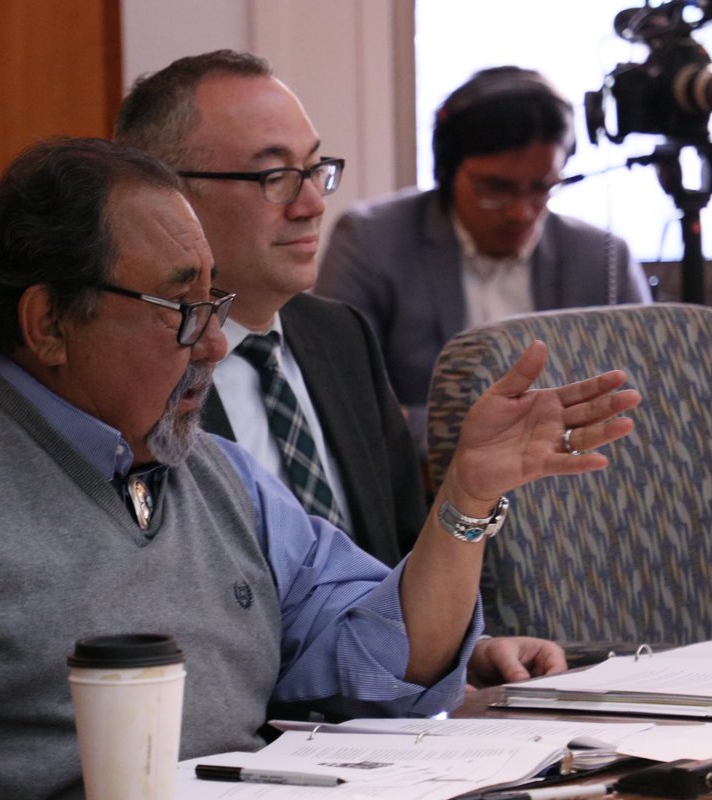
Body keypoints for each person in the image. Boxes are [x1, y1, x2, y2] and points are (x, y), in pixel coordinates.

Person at [0, 136, 639, 800]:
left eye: (215, 304)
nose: (215, 348)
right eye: (181, 310)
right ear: (48, 323)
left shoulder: (209, 471)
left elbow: (377, 661)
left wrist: (468, 497)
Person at [114, 50, 567, 686]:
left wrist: (468, 652)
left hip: (387, 714)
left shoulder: (338, 337)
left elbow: (402, 560)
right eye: (274, 177)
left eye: (315, 170)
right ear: (170, 196)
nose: (311, 204)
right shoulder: (128, 370)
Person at [315, 65, 652, 454]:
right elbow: (342, 397)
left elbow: (643, 399)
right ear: (447, 171)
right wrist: (506, 437)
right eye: (496, 188)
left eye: (542, 187)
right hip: (423, 479)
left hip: (575, 476)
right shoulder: (371, 241)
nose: (521, 212)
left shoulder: (602, 256)